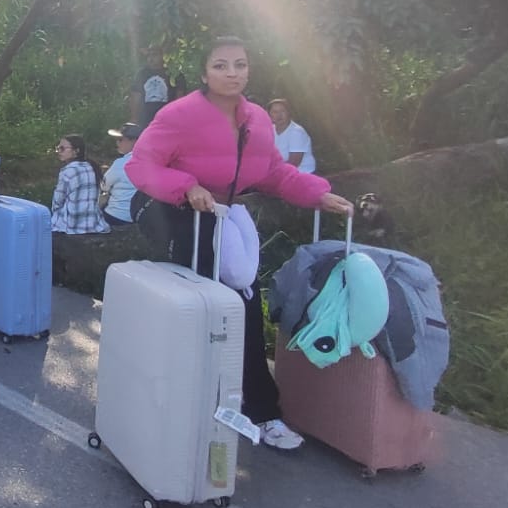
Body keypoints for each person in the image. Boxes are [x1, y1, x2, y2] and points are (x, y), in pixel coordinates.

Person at [126, 35, 354, 450]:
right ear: (203, 73)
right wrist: (186, 186)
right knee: (211, 304)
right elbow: (140, 165)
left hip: (221, 214)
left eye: (240, 65)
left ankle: (261, 412)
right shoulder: (179, 115)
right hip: (169, 208)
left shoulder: (258, 120)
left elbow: (274, 173)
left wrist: (317, 193)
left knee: (243, 302)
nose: (232, 74)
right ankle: (186, 404)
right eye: (220, 65)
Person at [50, 133, 110, 235]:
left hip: (72, 224)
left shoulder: (67, 171)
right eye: (58, 148)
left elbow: (58, 201)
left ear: (76, 151)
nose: (59, 151)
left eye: (62, 148)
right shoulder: (91, 167)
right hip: (92, 222)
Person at [99, 123, 141, 227]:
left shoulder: (121, 163)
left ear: (134, 141)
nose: (117, 142)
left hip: (116, 216)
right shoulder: (152, 161)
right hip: (141, 216)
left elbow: (104, 186)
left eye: (121, 139)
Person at [128, 44, 172, 127]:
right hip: (145, 120)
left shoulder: (172, 73)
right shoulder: (142, 74)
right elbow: (135, 96)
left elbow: (179, 97)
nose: (150, 59)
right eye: (148, 56)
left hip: (167, 119)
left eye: (154, 55)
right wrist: (134, 118)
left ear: (162, 56)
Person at [268, 98, 316, 173]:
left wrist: (271, 172)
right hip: (278, 170)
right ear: (270, 115)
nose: (279, 115)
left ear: (288, 112)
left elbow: (293, 164)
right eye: (275, 112)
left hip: (301, 173)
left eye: (282, 111)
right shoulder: (269, 129)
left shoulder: (297, 132)